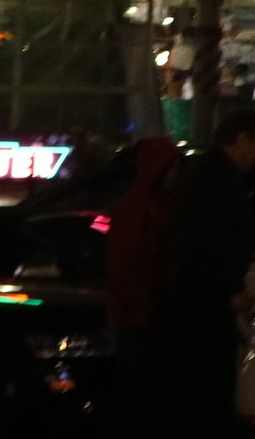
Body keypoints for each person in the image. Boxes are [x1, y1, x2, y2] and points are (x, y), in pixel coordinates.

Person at [161, 107, 255, 435]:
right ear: (240, 139)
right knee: (210, 390)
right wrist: (234, 288)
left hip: (193, 296)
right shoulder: (218, 178)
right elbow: (214, 239)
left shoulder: (202, 171)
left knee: (198, 390)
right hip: (204, 300)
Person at [102, 137, 180, 433]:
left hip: (149, 316)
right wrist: (146, 305)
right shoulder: (137, 210)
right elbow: (124, 268)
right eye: (172, 168)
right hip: (138, 320)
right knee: (143, 402)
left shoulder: (158, 206)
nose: (176, 174)